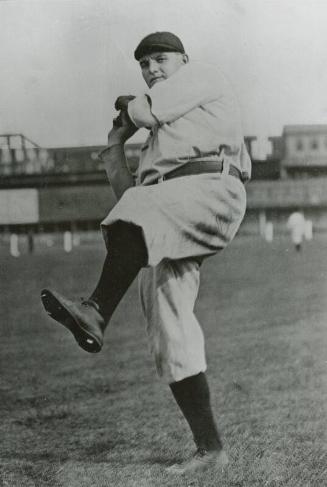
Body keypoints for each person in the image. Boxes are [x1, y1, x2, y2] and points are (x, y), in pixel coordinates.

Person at [41, 31, 251, 475]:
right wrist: (116, 145)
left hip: (214, 190)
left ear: (184, 60)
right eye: (144, 64)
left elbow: (146, 107)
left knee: (140, 209)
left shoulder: (202, 78)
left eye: (160, 60)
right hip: (171, 210)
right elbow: (129, 197)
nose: (152, 69)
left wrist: (131, 108)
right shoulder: (159, 134)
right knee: (168, 331)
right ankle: (210, 448)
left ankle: (96, 309)